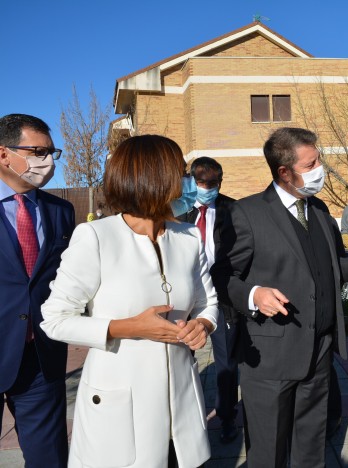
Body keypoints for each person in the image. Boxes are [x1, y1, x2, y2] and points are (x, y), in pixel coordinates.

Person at [41, 135, 218, 468]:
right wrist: (130, 327)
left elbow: (208, 302)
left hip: (182, 407)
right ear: (154, 178)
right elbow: (55, 318)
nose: (188, 182)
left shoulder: (187, 237)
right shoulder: (96, 237)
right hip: (120, 409)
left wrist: (202, 325)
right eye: (181, 172)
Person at [227, 127, 348, 468]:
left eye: (318, 159)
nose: (321, 168)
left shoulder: (318, 209)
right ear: (284, 172)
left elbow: (332, 263)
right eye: (312, 163)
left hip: (318, 351)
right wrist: (253, 293)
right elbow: (222, 277)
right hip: (270, 356)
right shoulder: (246, 213)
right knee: (269, 453)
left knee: (310, 446)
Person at [0, 114, 74, 468]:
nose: (47, 161)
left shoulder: (62, 211)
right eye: (38, 151)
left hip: (41, 356)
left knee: (49, 458)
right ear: (4, 154)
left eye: (51, 152)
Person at [178, 156, 240, 443]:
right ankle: (185, 420)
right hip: (183, 300)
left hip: (223, 299)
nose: (206, 188)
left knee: (226, 365)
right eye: (200, 182)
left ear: (220, 182)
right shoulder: (177, 209)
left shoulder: (234, 210)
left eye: (212, 183)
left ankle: (227, 418)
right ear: (191, 181)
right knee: (180, 362)